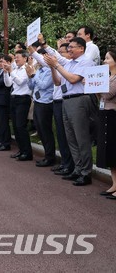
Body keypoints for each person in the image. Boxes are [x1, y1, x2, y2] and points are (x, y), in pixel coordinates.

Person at [44, 37, 97, 186]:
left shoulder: (86, 61)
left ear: (81, 48)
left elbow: (74, 79)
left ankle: (86, 173)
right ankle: (78, 169)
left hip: (79, 100)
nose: (69, 50)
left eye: (72, 47)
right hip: (66, 100)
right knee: (71, 138)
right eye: (69, 48)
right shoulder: (69, 63)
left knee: (81, 138)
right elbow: (58, 82)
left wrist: (57, 65)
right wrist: (52, 67)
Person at [96, 49, 116, 200]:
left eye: (107, 58)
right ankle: (114, 184)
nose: (104, 61)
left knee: (113, 150)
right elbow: (100, 96)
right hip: (104, 114)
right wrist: (94, 86)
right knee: (109, 151)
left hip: (113, 116)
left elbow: (108, 94)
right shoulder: (108, 77)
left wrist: (94, 84)